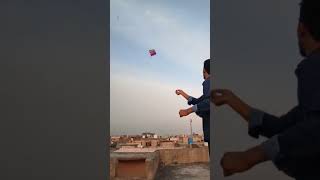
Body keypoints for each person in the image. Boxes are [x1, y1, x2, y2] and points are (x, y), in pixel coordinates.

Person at [211, 0, 320, 179]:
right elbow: (284, 127)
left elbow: (314, 129)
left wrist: (249, 157)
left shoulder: (314, 65)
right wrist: (232, 101)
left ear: (301, 28)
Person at [176, 59, 211, 153]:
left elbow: (209, 102)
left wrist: (187, 111)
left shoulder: (209, 82)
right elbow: (198, 101)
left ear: (205, 71)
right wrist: (182, 93)